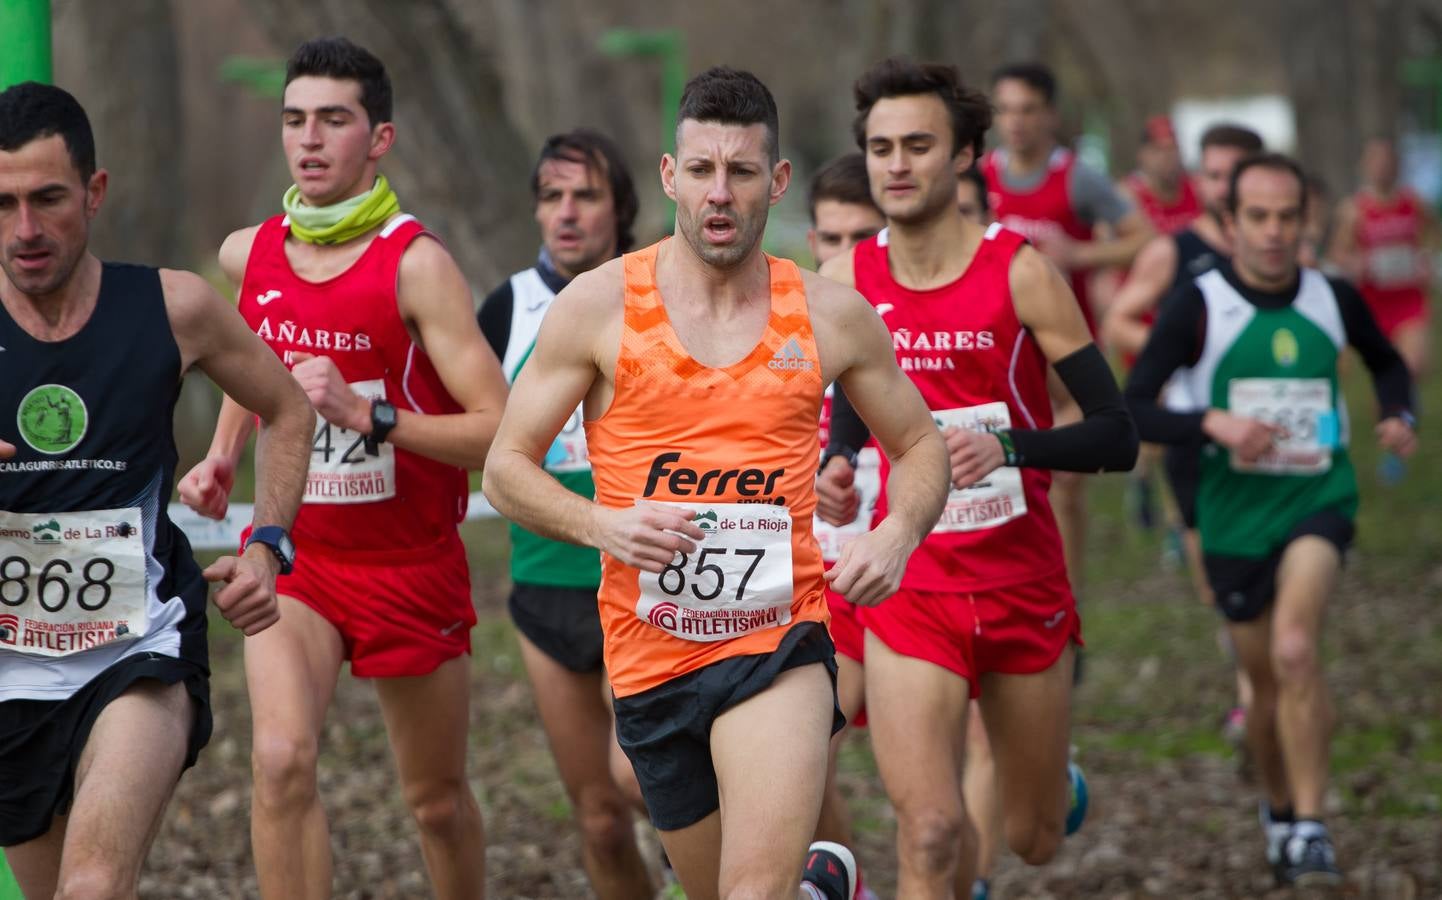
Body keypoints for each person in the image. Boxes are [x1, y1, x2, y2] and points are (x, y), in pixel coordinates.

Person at [482, 65, 950, 900]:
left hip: (780, 643)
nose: (719, 194)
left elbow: (921, 444)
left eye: (740, 171)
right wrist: (604, 525)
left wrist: (897, 532)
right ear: (671, 176)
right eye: (701, 170)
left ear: (776, 181)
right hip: (649, 659)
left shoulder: (830, 314)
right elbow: (505, 467)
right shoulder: (599, 308)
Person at [179, 37, 507, 899]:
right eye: (295, 120)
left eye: (334, 119)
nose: (310, 140)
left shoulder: (419, 266)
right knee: (282, 764)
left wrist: (373, 418)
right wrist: (222, 458)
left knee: (434, 802)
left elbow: (499, 432)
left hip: (411, 565)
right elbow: (258, 369)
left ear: (380, 138)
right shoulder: (247, 254)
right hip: (296, 559)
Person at [819, 57, 1137, 897]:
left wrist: (1014, 449)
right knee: (929, 833)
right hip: (911, 585)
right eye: (881, 147)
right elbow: (851, 395)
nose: (895, 165)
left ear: (964, 157)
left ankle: (1052, 783)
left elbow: (1117, 433)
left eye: (918, 145)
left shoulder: (1021, 271)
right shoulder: (849, 278)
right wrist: (840, 462)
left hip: (1020, 579)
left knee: (1031, 840)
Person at [0, 81, 313, 899]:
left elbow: (287, 408)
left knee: (93, 887)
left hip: (137, 647)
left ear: (95, 192)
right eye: (1, 205)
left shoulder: (174, 307)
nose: (24, 230)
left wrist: (268, 547)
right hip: (8, 673)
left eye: (47, 199)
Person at [1124, 152, 1417, 887]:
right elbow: (1133, 407)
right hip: (1231, 515)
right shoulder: (1198, 302)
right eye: (1258, 217)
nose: (1275, 232)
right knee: (1260, 685)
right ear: (1230, 224)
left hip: (1317, 498)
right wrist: (1212, 422)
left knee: (1294, 650)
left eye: (1289, 216)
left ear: (1307, 219)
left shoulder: (1334, 296)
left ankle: (1313, 824)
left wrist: (1397, 412)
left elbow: (1387, 361)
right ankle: (1281, 809)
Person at [477, 128, 654, 899]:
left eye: (586, 195)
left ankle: (702, 867)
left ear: (622, 207)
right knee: (600, 818)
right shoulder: (507, 307)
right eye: (552, 197)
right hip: (545, 583)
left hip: (648, 582)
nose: (567, 213)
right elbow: (476, 434)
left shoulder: (660, 295)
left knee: (646, 780)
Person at [1103, 123, 1266, 760]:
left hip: (1278, 445)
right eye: (1216, 174)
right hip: (1196, 440)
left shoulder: (1286, 254)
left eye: (1238, 173)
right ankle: (1254, 685)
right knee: (1219, 588)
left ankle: (1258, 698)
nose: (1225, 186)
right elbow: (1118, 318)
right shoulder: (1175, 251)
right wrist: (1179, 350)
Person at [983, 61, 1155, 604]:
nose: (1016, 122)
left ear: (1050, 115)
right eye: (1005, 110)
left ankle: (1065, 597)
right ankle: (1005, 589)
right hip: (1002, 360)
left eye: (1028, 110)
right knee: (1001, 481)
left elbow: (1141, 235)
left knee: (1066, 482)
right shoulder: (980, 177)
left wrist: (1081, 252)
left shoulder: (1076, 177)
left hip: (1067, 358)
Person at [1327, 137, 1435, 379]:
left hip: (1409, 300)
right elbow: (1337, 254)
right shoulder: (1354, 209)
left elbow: (1432, 235)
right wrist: (1358, 264)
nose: (1382, 168)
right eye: (1376, 162)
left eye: (1387, 161)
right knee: (1386, 375)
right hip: (1373, 303)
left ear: (1396, 165)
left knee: (1411, 367)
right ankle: (1396, 411)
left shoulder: (1413, 201)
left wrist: (1426, 260)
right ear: (1364, 166)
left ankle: (1404, 407)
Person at [1120, 116, 1202, 236]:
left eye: (1172, 148)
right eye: (1158, 150)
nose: (1166, 156)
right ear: (1142, 155)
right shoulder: (1127, 195)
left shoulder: (1198, 189)